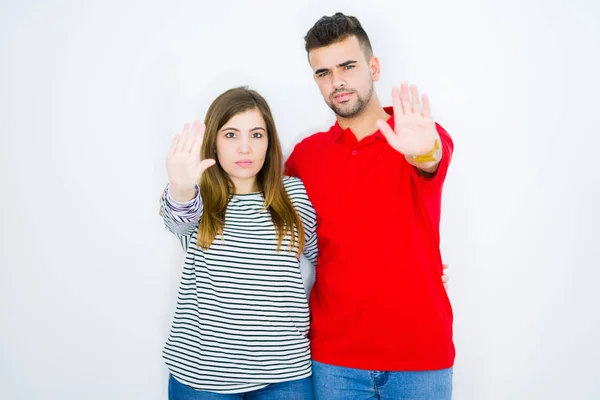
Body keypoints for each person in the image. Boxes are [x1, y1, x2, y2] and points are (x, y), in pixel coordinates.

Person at [284, 13, 455, 399]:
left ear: (373, 67)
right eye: (323, 72)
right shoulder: (305, 157)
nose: (337, 81)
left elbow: (430, 158)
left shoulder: (418, 133)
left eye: (348, 66)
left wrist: (423, 150)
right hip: (334, 359)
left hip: (421, 355)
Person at [160, 87, 318, 399]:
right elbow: (177, 219)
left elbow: (332, 259)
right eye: (231, 135)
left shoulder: (294, 195)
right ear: (214, 144)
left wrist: (410, 272)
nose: (245, 148)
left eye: (256, 135)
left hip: (286, 376)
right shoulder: (196, 196)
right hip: (203, 377)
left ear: (269, 142)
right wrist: (180, 187)